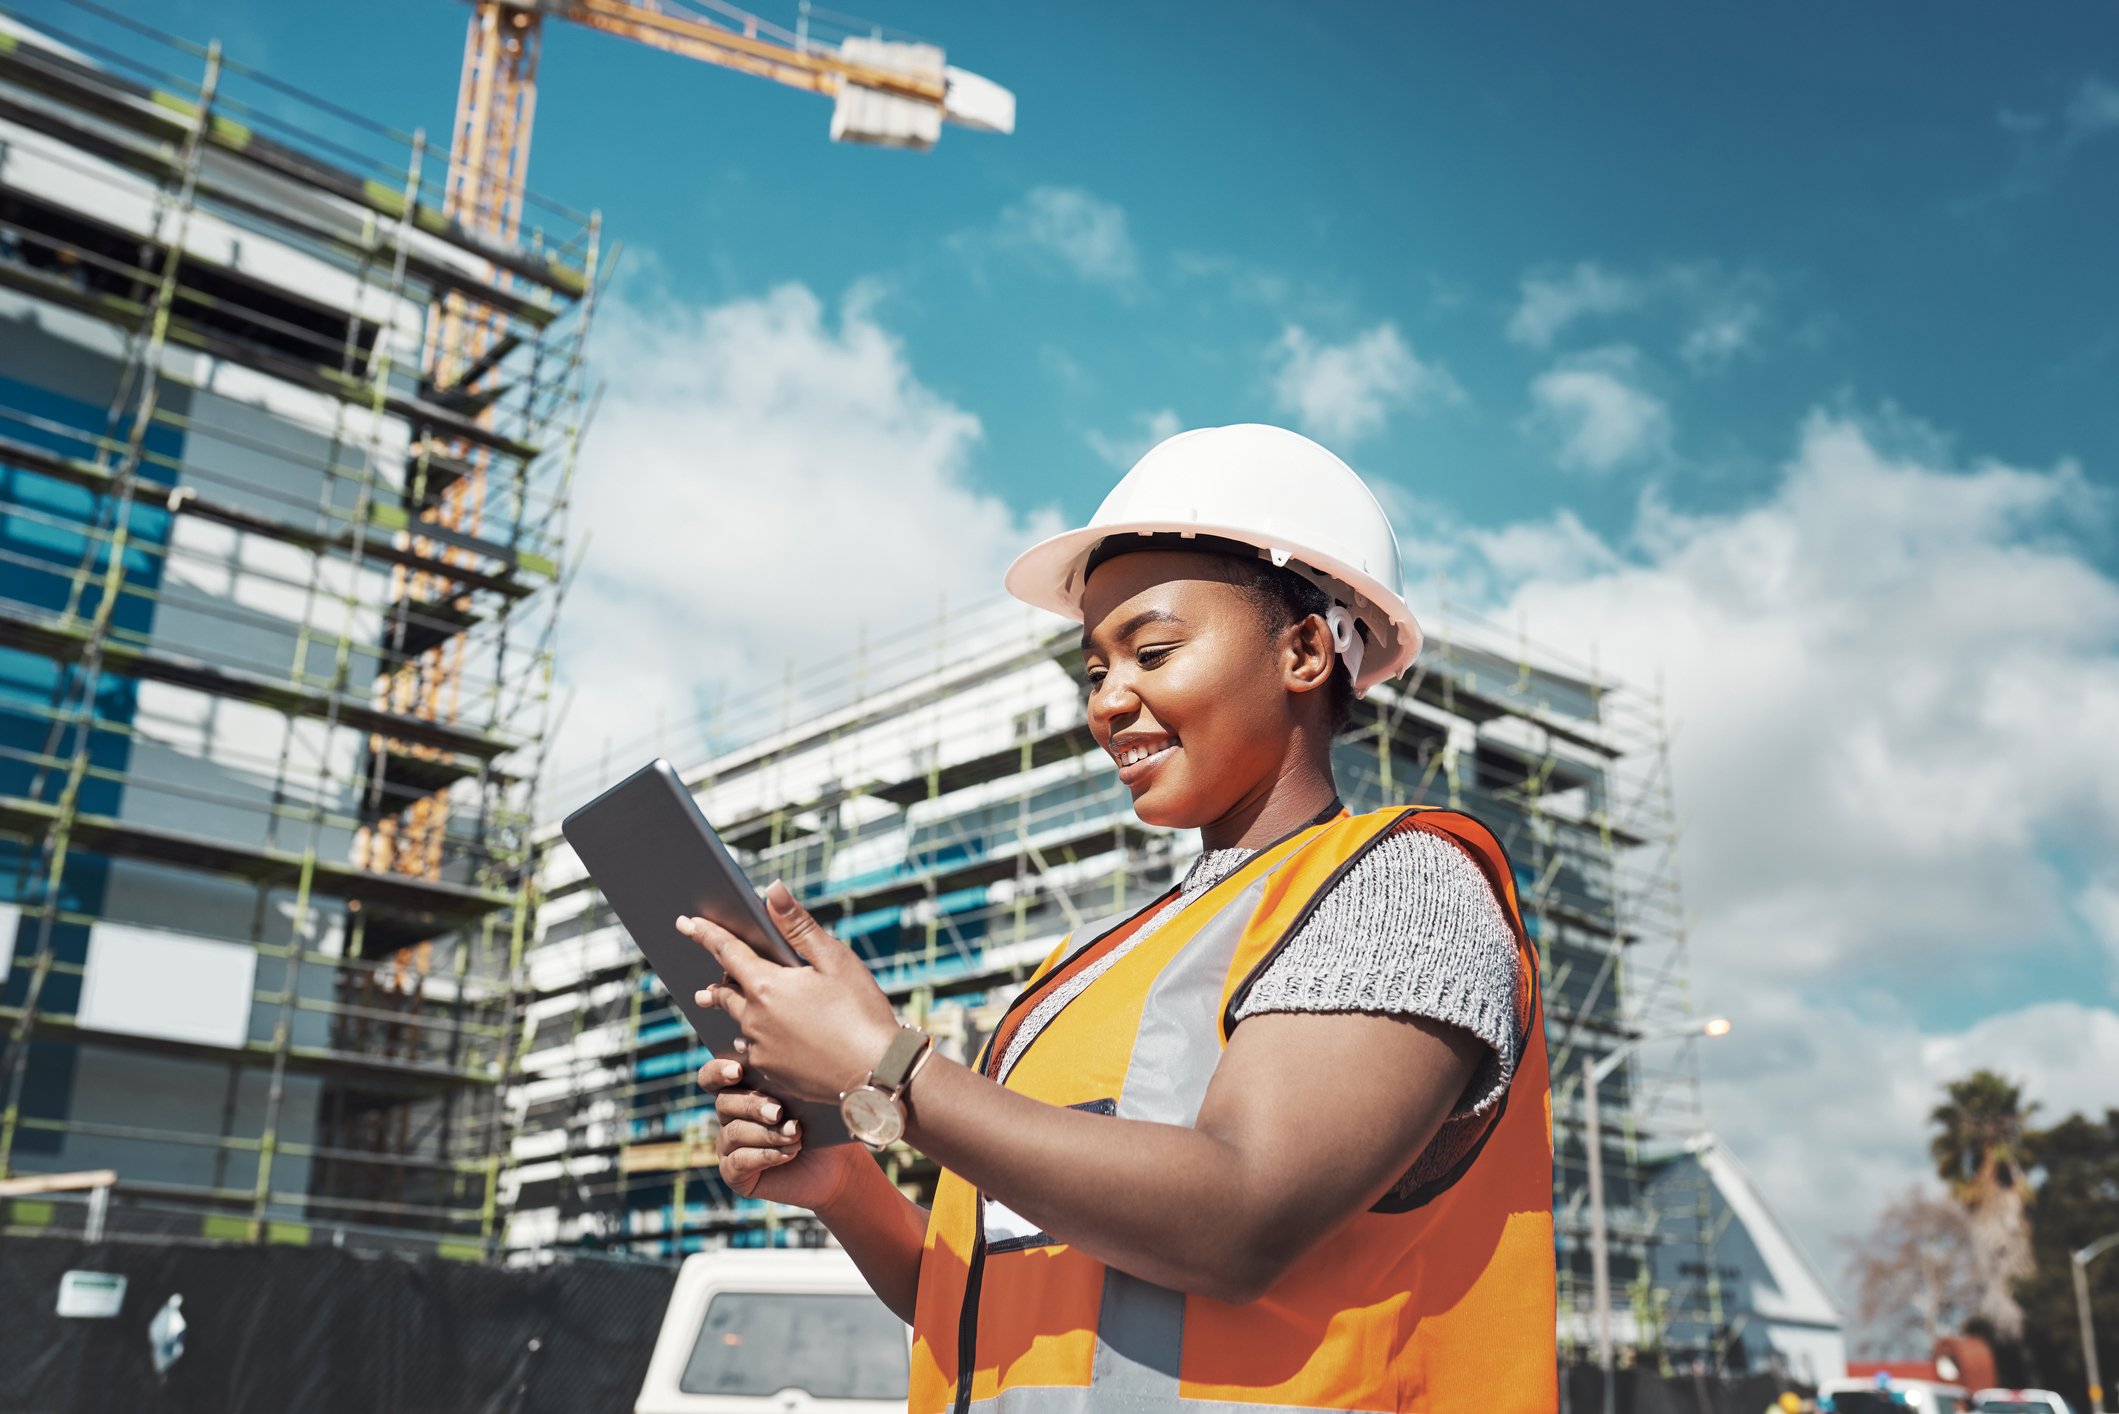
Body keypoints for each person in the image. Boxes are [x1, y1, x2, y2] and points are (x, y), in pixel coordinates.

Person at [680, 424, 1558, 1412]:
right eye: (1094, 668)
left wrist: (886, 1068)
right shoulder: (1086, 971)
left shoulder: (1405, 883)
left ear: (1305, 649)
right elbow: (996, 1302)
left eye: (1151, 648)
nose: (1109, 700)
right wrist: (843, 1188)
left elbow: (1239, 1216)